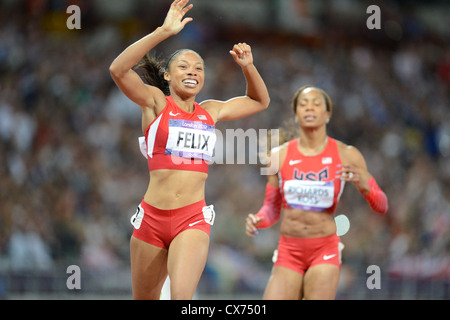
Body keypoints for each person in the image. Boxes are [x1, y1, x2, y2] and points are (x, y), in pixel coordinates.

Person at [109, 0, 269, 300]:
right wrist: (162, 31)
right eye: (183, 66)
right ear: (168, 76)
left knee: (181, 298)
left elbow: (259, 101)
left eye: (198, 68)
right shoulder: (155, 103)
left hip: (191, 218)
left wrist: (248, 68)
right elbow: (118, 69)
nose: (192, 71)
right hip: (152, 219)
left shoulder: (211, 111)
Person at [246, 86, 388, 300]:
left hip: (324, 250)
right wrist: (259, 219)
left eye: (316, 103)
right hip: (288, 251)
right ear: (295, 114)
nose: (309, 107)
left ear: (327, 114)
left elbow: (383, 205)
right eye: (303, 104)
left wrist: (364, 186)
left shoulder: (346, 154)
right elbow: (272, 208)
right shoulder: (278, 157)